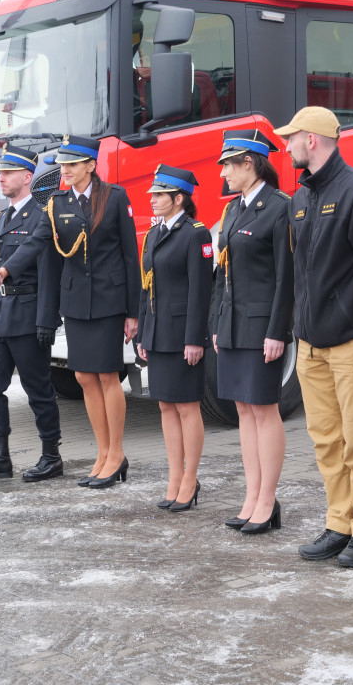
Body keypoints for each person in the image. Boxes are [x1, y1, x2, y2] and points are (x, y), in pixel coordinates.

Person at [276, 106, 353, 568]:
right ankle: (339, 523)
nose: (287, 146)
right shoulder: (300, 198)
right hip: (312, 347)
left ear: (311, 139)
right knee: (327, 441)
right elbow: (297, 274)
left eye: (292, 138)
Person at [0, 145, 64, 483]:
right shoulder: (2, 218)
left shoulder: (41, 216)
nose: (1, 178)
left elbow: (49, 273)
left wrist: (46, 319)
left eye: (8, 173)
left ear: (27, 176)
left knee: (39, 390)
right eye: (0, 173)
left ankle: (51, 456)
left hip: (28, 315)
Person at [45, 135, 141, 489]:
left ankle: (116, 453)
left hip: (108, 300)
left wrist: (133, 311)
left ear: (90, 165)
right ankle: (102, 453)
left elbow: (130, 255)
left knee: (107, 375)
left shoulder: (114, 197)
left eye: (72, 164)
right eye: (63, 165)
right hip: (76, 301)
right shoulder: (58, 203)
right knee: (84, 376)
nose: (65, 170)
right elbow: (54, 256)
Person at [211, 130, 293, 535]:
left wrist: (278, 331)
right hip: (232, 326)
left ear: (250, 163)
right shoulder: (232, 210)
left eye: (229, 164)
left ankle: (268, 499)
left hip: (262, 328)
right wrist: (216, 323)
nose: (223, 173)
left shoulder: (279, 207)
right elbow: (221, 273)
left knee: (263, 409)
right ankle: (252, 494)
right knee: (243, 410)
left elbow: (286, 277)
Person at [137, 165, 213, 512]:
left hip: (183, 334)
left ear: (179, 198)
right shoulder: (155, 234)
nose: (152, 200)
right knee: (165, 405)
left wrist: (194, 338)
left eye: (159, 195)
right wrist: (143, 332)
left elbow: (201, 290)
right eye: (153, 194)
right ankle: (174, 477)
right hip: (158, 332)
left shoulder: (195, 234)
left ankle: (190, 479)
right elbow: (147, 286)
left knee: (186, 406)